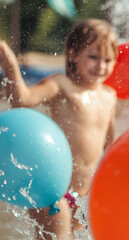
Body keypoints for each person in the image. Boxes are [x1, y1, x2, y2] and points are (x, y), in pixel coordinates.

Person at [0, 19, 118, 239]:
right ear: (72, 54)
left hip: (86, 195)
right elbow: (22, 101)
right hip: (53, 191)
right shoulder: (62, 85)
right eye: (93, 57)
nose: (101, 66)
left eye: (108, 59)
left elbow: (109, 146)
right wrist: (9, 64)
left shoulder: (109, 96)